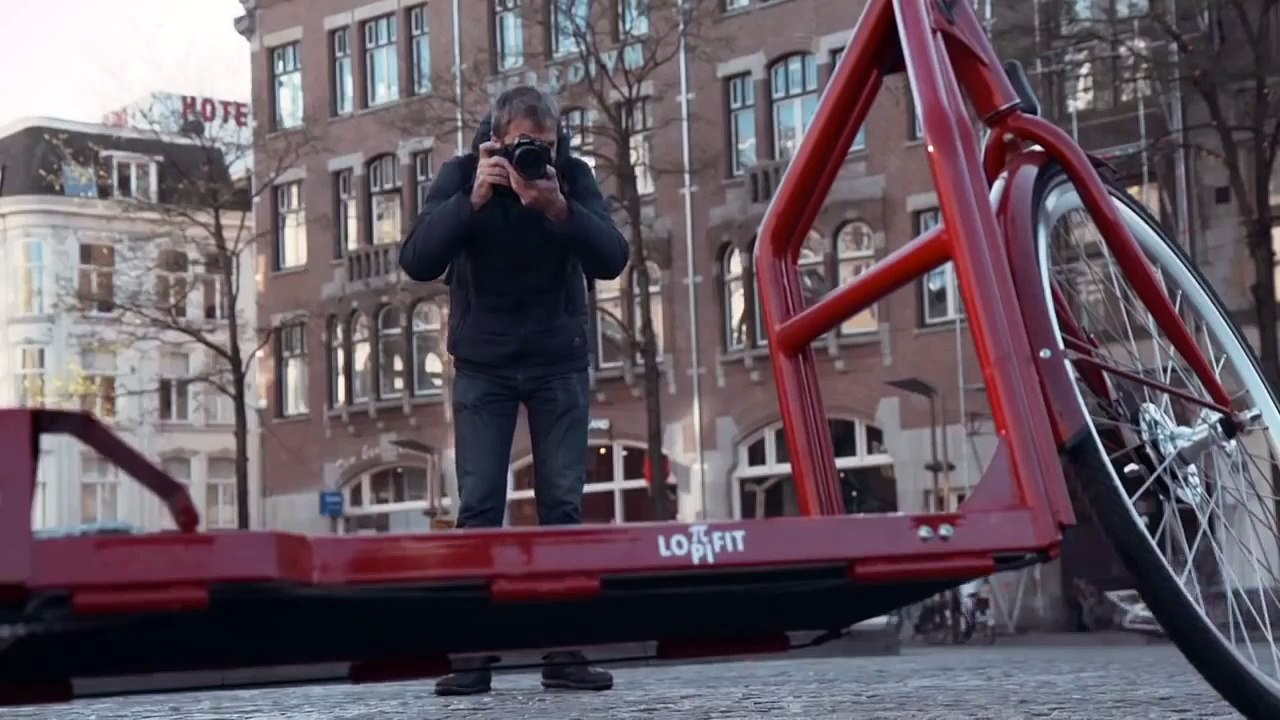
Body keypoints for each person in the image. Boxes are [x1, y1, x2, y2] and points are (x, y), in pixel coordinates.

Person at [399, 85, 629, 696]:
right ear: (495, 139)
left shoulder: (571, 177)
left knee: (562, 510)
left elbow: (613, 258)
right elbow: (417, 260)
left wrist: (559, 209)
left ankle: (565, 653)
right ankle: (471, 656)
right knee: (477, 509)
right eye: (523, 146)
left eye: (545, 147)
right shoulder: (460, 175)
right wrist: (471, 201)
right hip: (484, 365)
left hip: (558, 361)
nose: (535, 157)